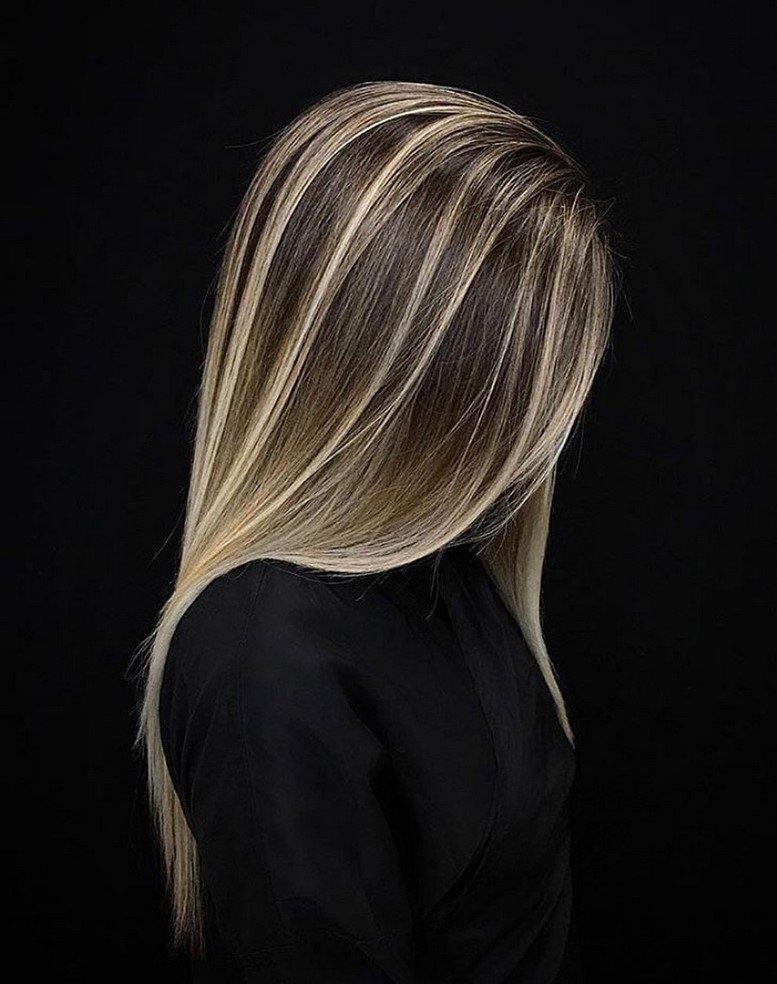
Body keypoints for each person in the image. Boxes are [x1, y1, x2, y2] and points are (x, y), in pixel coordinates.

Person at [133, 79, 619, 983]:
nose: (545, 428)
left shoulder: (449, 577)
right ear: (406, 381)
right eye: (519, 381)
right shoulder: (267, 657)